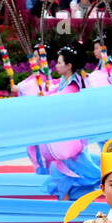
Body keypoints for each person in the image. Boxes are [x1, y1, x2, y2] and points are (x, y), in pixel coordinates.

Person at [37, 45, 101, 199]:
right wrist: (44, 93)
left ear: (69, 66)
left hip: (74, 132)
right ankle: (66, 194)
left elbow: (63, 96)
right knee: (62, 163)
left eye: (59, 63)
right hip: (65, 131)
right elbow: (54, 91)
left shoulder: (74, 83)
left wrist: (48, 98)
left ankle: (69, 194)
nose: (56, 66)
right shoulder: (64, 81)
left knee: (73, 163)